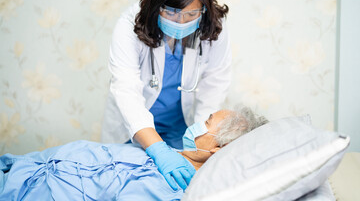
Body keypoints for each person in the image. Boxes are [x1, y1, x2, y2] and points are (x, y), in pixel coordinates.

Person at [102, 0, 231, 190]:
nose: (180, 22)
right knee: (125, 182)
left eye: (191, 14)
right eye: (171, 12)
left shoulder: (213, 28)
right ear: (156, 5)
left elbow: (215, 85)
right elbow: (126, 89)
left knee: (176, 187)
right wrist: (158, 149)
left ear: (203, 9)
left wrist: (199, 143)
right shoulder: (130, 26)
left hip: (180, 130)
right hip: (135, 129)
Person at [1, 107, 268, 201]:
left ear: (217, 149)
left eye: (208, 122)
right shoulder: (168, 155)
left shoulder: (173, 189)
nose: (199, 123)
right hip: (23, 167)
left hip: (31, 190)